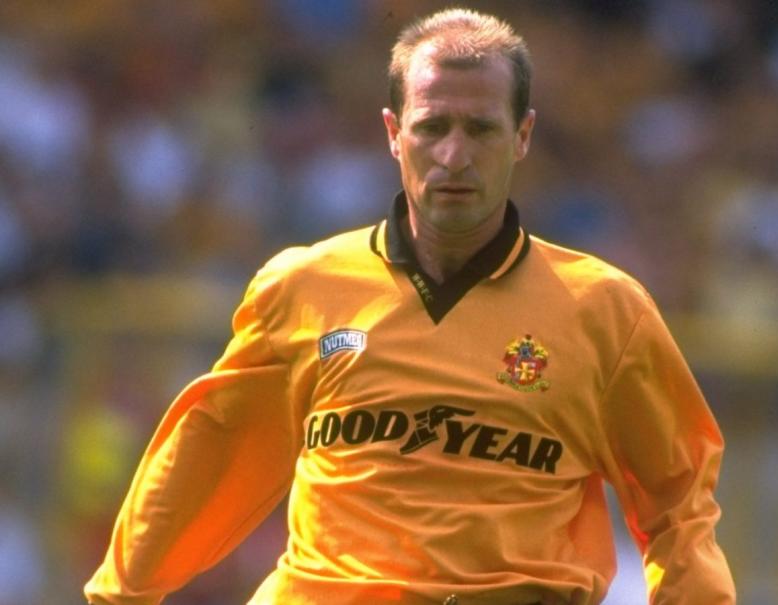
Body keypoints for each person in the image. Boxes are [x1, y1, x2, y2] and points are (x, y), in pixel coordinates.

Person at [85, 8, 735, 605]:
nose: (454, 155)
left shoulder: (606, 310)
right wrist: (119, 595)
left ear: (523, 135)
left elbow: (680, 501)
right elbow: (207, 453)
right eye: (432, 127)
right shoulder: (301, 287)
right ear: (395, 133)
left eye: (480, 128)